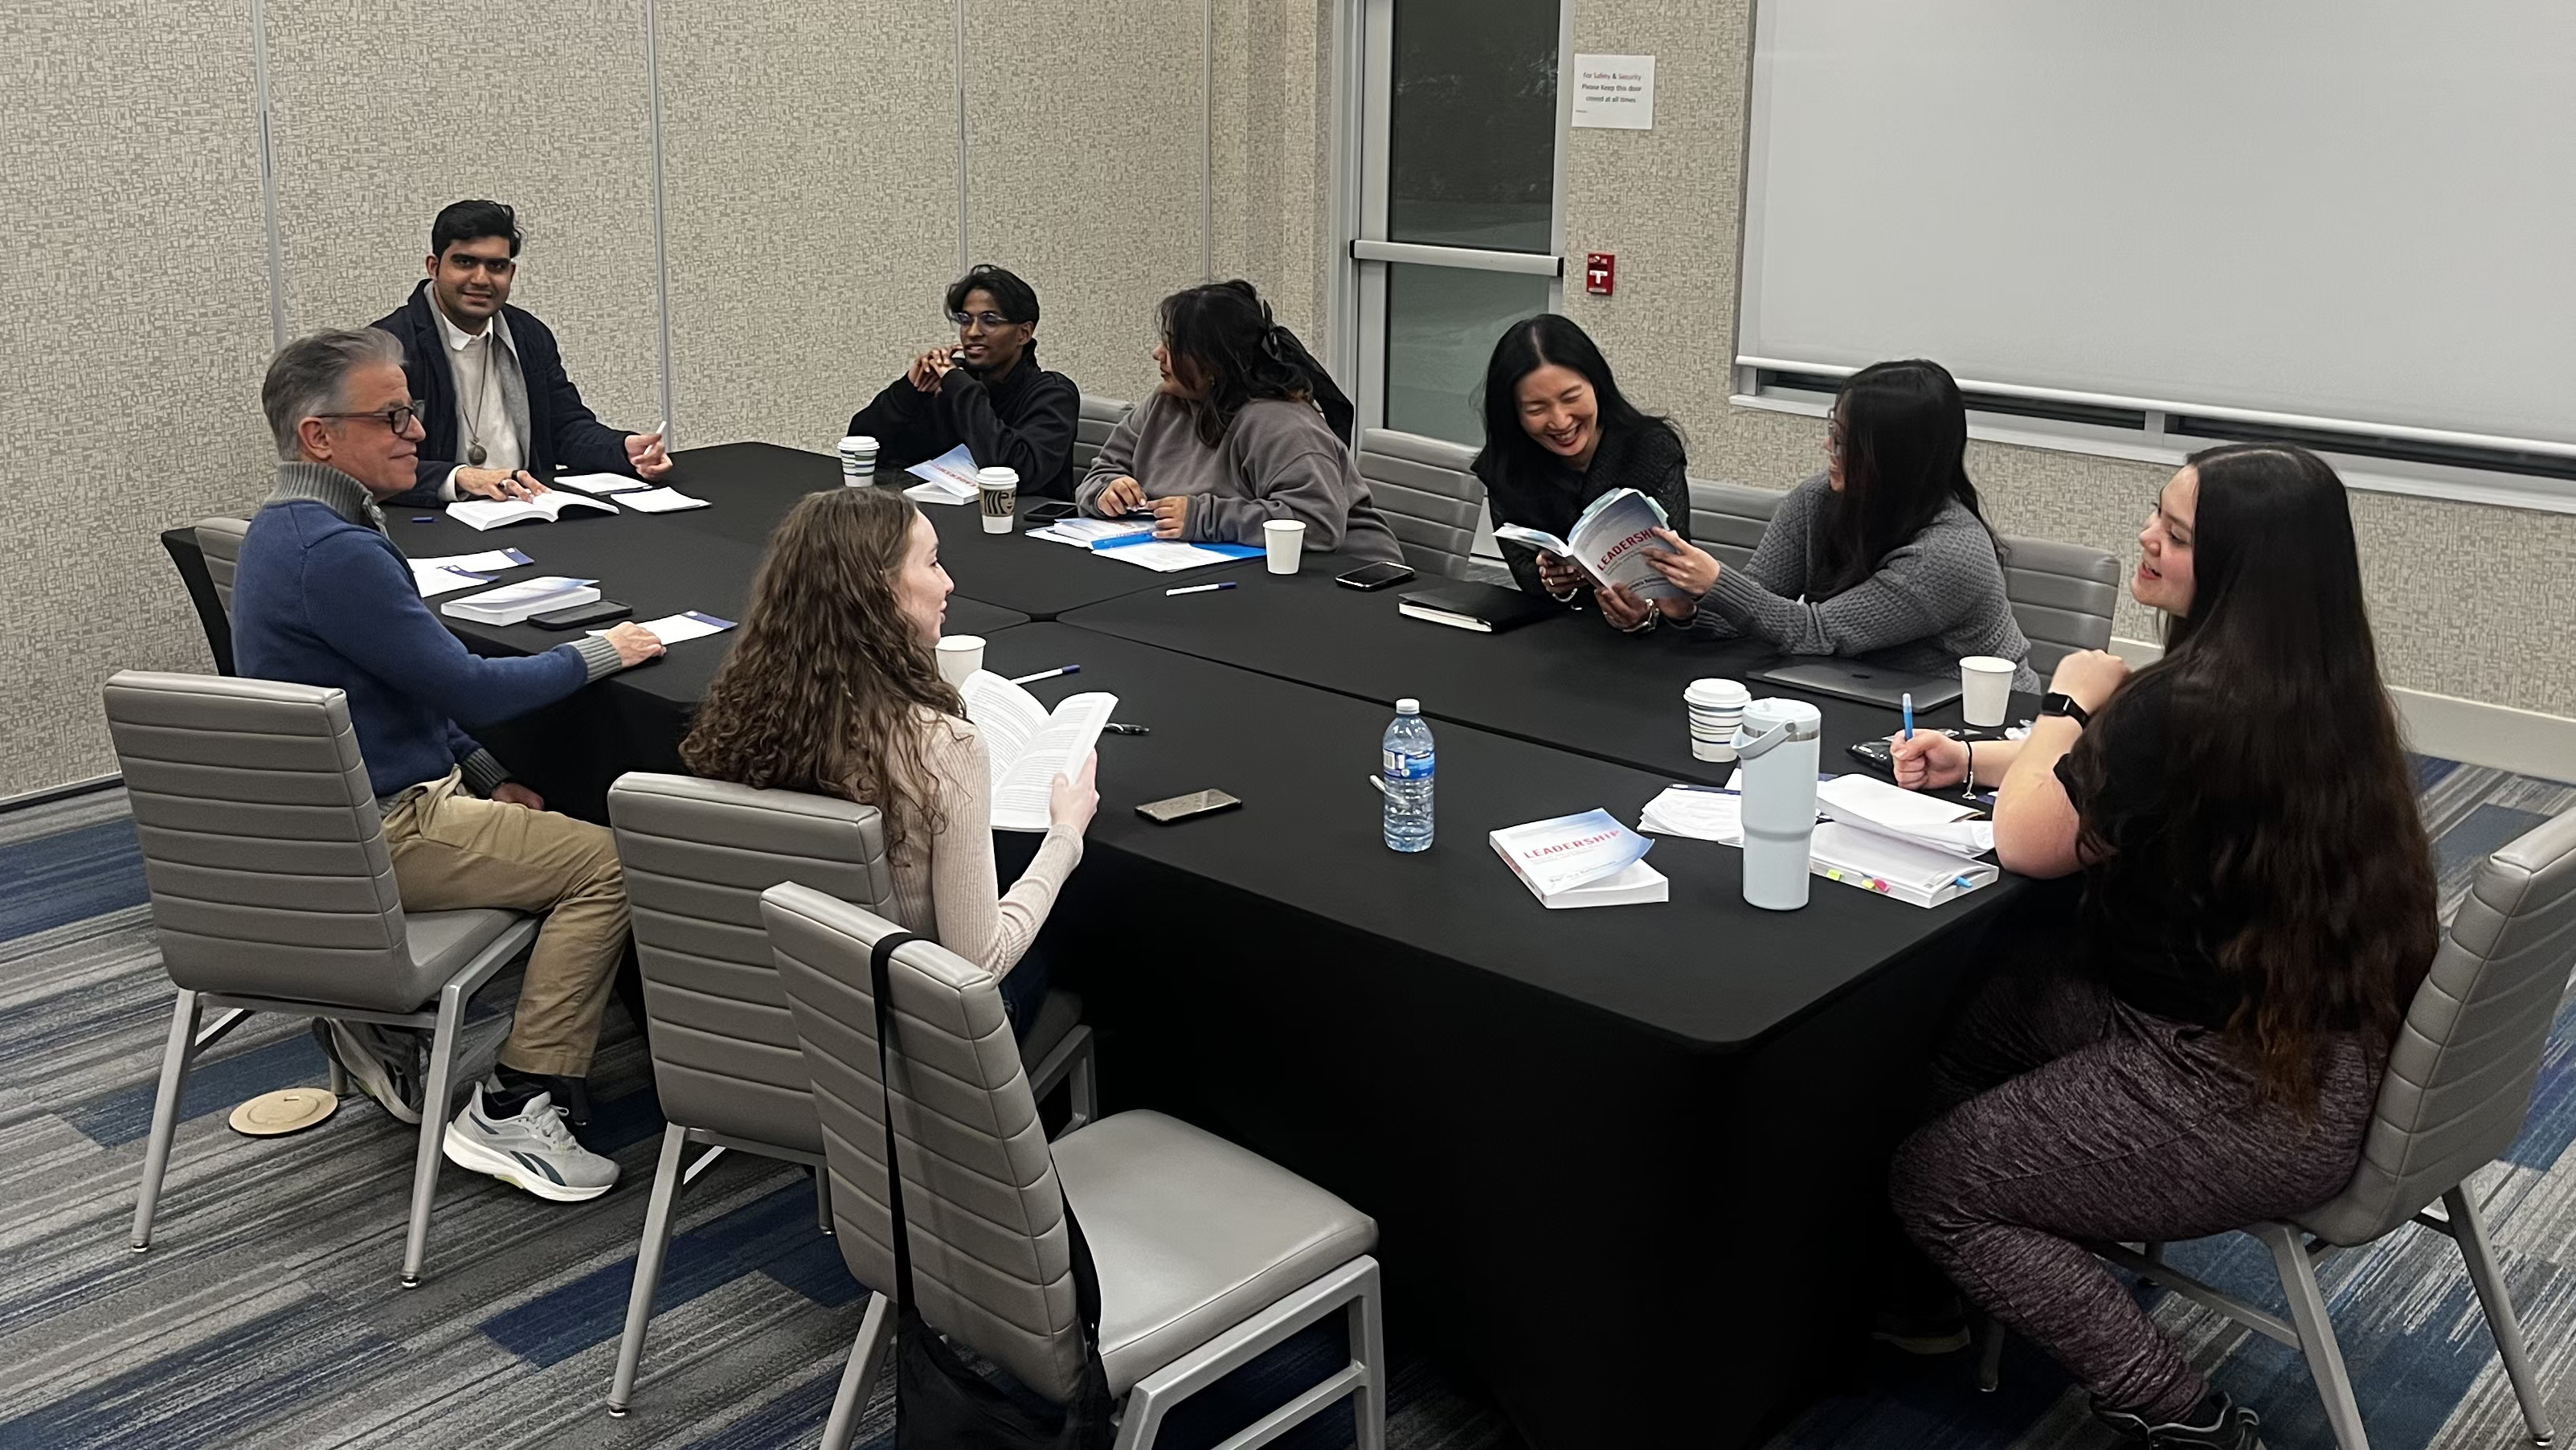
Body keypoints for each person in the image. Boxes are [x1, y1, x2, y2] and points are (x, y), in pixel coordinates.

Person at [1882, 444, 2436, 1450]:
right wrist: (1972, 755)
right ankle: (1947, 1291)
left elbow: (2028, 838)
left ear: (2234, 570)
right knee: (1973, 1011)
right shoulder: (2305, 686)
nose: (2146, 537)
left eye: (2176, 536)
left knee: (1936, 1182)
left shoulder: (2192, 702)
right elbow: (2113, 762)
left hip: (2242, 1091)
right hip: (2290, 1040)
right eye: (2157, 514)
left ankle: (2187, 1417)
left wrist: (2063, 698)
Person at [230, 327, 668, 1202]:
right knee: (611, 865)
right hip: (389, 828)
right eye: (392, 417)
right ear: (321, 438)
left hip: (346, 812)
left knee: (557, 825)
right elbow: (469, 687)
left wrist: (475, 765)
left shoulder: (289, 530)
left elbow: (404, 691)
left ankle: (386, 1030)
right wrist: (605, 651)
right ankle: (518, 1100)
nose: (418, 434)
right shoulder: (339, 553)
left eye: (413, 412)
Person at [681, 488, 1098, 1026]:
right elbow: (980, 962)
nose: (948, 582)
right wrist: (1065, 837)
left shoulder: (742, 714)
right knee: (1057, 949)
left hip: (778, 1009)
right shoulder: (940, 746)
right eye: (931, 563)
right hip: (912, 1039)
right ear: (877, 591)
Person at [1639, 359, 2038, 687]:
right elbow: (1757, 606)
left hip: (1967, 714)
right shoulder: (1817, 499)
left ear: (1895, 458)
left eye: (1844, 440)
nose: (1828, 447)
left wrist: (1717, 581)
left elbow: (1817, 633)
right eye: (1833, 430)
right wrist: (1682, 609)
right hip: (1858, 688)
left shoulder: (1948, 554)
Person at [372, 199, 673, 509]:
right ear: (434, 267)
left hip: (528, 508)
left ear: (511, 273)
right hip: (438, 518)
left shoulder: (528, 334)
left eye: (496, 266)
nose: (481, 279)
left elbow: (564, 428)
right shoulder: (387, 347)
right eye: (465, 262)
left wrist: (624, 449)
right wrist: (459, 477)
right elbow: (369, 462)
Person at [1076, 281, 1402, 564]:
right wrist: (1108, 491)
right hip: (1215, 564)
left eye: (1173, 345)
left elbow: (1317, 524)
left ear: (1212, 364)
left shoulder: (1283, 425)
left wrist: (1204, 517)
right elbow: (1102, 471)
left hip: (1342, 579)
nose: (1157, 353)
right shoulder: (1165, 404)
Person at [1472, 314, 1692, 633]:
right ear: (1513, 413)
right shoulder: (1508, 465)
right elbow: (1525, 574)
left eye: (1571, 398)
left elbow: (1677, 577)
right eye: (1536, 409)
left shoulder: (1649, 449)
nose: (1560, 421)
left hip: (1652, 644)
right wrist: (1555, 583)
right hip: (1554, 637)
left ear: (1597, 386)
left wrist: (1645, 614)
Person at [845, 263, 1082, 500]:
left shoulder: (1053, 393)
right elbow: (863, 447)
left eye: (990, 320)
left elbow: (1014, 472)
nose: (972, 332)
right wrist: (909, 390)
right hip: (946, 514)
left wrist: (961, 387)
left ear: (1024, 333)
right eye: (966, 320)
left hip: (1022, 526)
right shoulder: (954, 382)